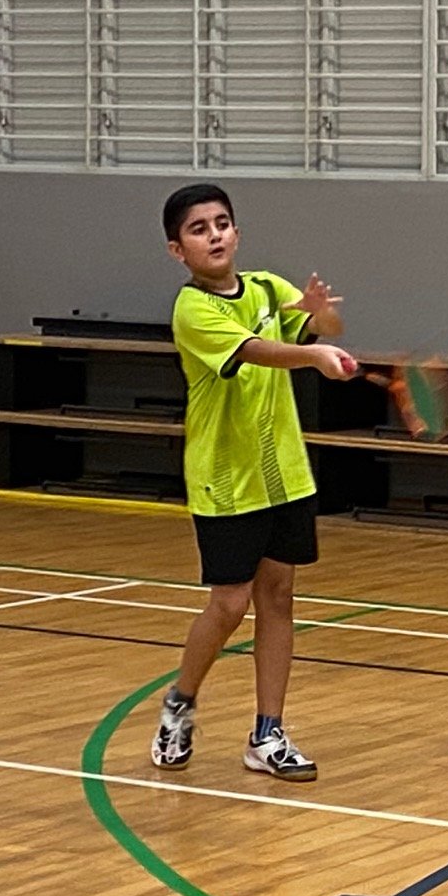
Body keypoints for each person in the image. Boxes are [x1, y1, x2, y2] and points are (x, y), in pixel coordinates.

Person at [150, 185, 356, 782]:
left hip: (284, 475)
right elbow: (262, 352)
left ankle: (268, 734)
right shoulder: (193, 311)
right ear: (177, 249)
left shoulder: (268, 286)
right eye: (198, 229)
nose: (214, 234)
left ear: (237, 233)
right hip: (225, 480)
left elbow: (328, 322)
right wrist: (314, 355)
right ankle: (180, 703)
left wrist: (320, 316)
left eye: (222, 223)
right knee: (230, 602)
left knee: (279, 597)